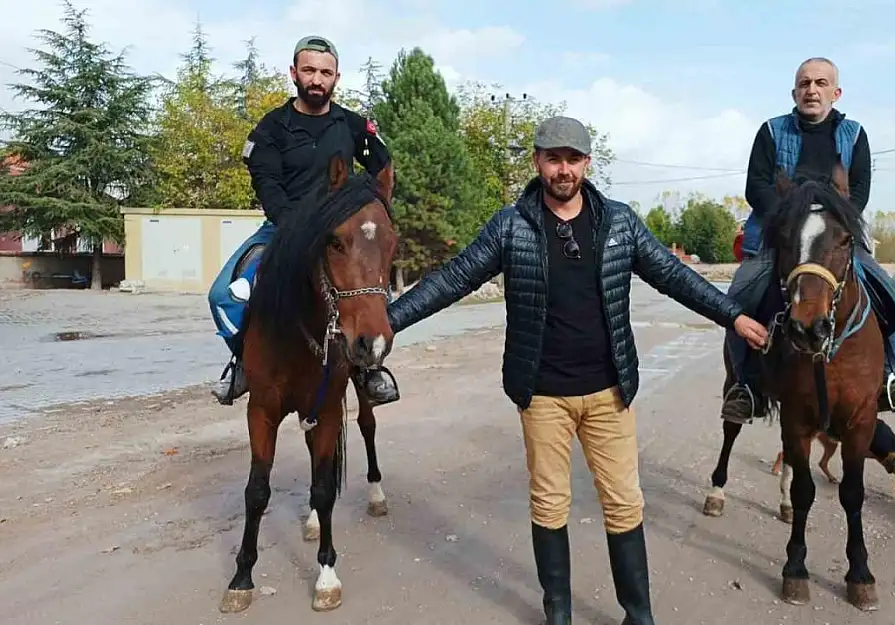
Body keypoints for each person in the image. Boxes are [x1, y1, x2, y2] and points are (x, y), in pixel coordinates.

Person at [386, 115, 768, 625]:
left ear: (587, 163)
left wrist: (734, 315)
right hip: (542, 395)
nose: (563, 169)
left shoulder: (620, 223)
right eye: (552, 158)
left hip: (609, 393)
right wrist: (389, 321)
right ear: (537, 162)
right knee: (549, 505)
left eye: (572, 159)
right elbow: (453, 278)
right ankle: (558, 614)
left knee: (624, 504)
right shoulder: (511, 226)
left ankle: (639, 615)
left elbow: (675, 276)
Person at [719, 56, 895, 425]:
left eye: (820, 83)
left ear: (836, 92)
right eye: (804, 83)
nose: (811, 90)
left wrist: (835, 219)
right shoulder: (771, 130)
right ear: (794, 91)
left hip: (834, 233)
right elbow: (756, 186)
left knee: (890, 291)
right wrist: (789, 217)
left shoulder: (856, 134)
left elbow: (858, 190)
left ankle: (891, 374)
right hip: (780, 234)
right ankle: (744, 385)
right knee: (740, 295)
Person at [208, 35, 396, 406]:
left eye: (325, 73)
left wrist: (368, 214)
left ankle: (368, 369)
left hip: (342, 235)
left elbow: (383, 171)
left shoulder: (354, 127)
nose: (317, 79)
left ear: (336, 78)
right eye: (309, 70)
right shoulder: (272, 128)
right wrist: (295, 228)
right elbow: (267, 183)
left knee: (372, 294)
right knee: (223, 296)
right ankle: (243, 362)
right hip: (281, 230)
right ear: (294, 73)